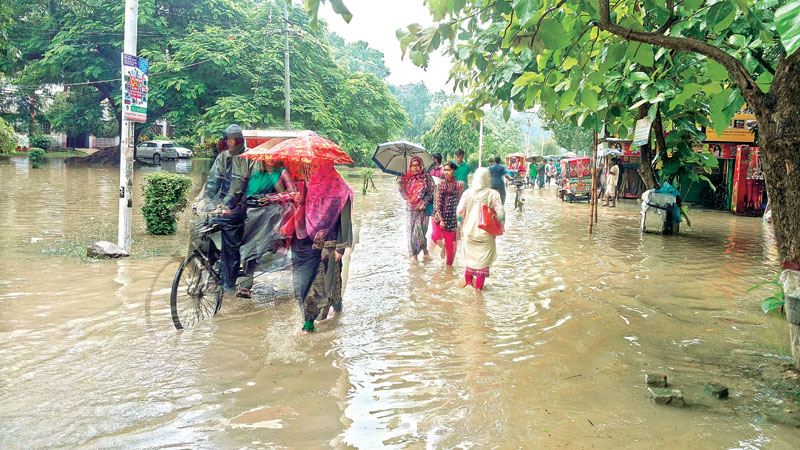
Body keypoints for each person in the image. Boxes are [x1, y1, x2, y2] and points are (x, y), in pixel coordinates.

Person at [290, 161, 353, 334]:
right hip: (306, 244)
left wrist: (340, 248)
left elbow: (345, 221)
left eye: (316, 166)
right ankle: (310, 320)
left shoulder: (341, 190)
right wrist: (297, 201)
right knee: (307, 283)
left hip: (330, 245)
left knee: (328, 281)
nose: (313, 169)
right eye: (311, 167)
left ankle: (330, 310)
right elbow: (299, 214)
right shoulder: (309, 187)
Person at [195, 124, 257, 296]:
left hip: (244, 205)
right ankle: (214, 260)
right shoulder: (223, 157)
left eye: (232, 139)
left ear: (239, 140)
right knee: (201, 229)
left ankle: (228, 285)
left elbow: (241, 185)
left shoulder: (250, 157)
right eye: (227, 139)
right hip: (223, 204)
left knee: (231, 238)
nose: (229, 143)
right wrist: (205, 202)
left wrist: (230, 205)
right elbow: (213, 181)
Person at [237, 159, 298, 298]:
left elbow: (293, 193)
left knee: (255, 246)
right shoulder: (252, 171)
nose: (270, 160)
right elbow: (239, 188)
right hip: (249, 210)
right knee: (241, 243)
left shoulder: (281, 172)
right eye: (267, 157)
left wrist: (274, 197)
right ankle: (240, 280)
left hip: (270, 213)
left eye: (273, 157)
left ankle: (245, 284)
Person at [457, 168, 504, 291]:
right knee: (482, 265)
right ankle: (478, 292)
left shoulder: (467, 193)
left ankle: (468, 285)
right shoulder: (493, 194)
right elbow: (501, 213)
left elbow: (459, 212)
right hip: (486, 235)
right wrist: (499, 223)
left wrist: (461, 226)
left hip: (470, 233)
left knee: (469, 261)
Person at [398, 157, 435, 261]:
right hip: (410, 209)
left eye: (417, 165)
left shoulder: (427, 177)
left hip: (422, 209)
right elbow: (404, 197)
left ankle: (424, 249)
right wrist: (401, 185)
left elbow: (431, 192)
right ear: (410, 166)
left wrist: (424, 202)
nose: (415, 167)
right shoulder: (407, 178)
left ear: (421, 165)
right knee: (411, 233)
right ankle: (414, 256)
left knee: (420, 232)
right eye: (413, 165)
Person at [430, 162, 465, 266]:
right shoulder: (440, 185)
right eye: (444, 170)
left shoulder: (459, 185)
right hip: (438, 216)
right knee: (435, 236)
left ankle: (449, 269)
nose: (446, 172)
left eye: (448, 170)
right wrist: (441, 219)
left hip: (452, 218)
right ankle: (442, 246)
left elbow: (461, 203)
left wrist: (460, 220)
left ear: (453, 170)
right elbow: (437, 202)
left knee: (450, 245)